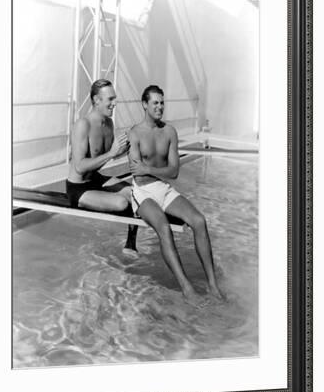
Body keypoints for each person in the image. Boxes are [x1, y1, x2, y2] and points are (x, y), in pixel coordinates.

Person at [128, 85, 224, 303]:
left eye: (162, 103)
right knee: (163, 226)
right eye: (155, 103)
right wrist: (147, 172)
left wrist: (150, 169)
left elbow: (174, 171)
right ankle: (187, 288)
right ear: (145, 104)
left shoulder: (169, 132)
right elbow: (138, 174)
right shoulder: (135, 133)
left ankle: (213, 286)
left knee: (199, 221)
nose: (160, 107)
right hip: (142, 192)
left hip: (162, 187)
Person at [67, 79, 138, 253]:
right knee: (122, 203)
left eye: (115, 99)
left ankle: (131, 244)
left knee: (136, 194)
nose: (115, 103)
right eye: (111, 99)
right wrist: (112, 153)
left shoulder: (108, 123)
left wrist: (123, 148)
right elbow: (80, 167)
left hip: (96, 180)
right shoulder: (83, 125)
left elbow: (108, 156)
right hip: (78, 188)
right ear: (97, 100)